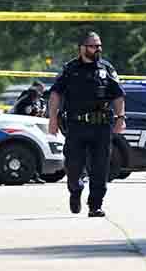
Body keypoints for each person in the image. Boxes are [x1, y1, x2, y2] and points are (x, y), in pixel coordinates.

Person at [48, 31, 126, 217]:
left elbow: (118, 95)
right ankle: (75, 190)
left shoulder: (106, 68)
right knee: (73, 166)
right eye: (93, 46)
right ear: (82, 48)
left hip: (102, 126)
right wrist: (52, 119)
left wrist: (120, 118)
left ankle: (95, 205)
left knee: (100, 168)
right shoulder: (70, 69)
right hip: (76, 126)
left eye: (99, 46)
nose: (97, 49)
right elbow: (55, 94)